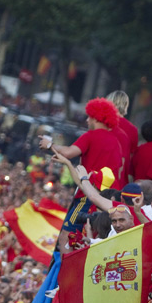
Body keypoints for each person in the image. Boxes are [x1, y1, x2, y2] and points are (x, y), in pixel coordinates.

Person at [46, 98, 124, 235]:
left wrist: (50, 145)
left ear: (96, 118)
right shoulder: (116, 143)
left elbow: (69, 152)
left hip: (87, 194)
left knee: (66, 234)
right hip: (108, 199)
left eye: (89, 117)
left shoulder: (90, 136)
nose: (87, 120)